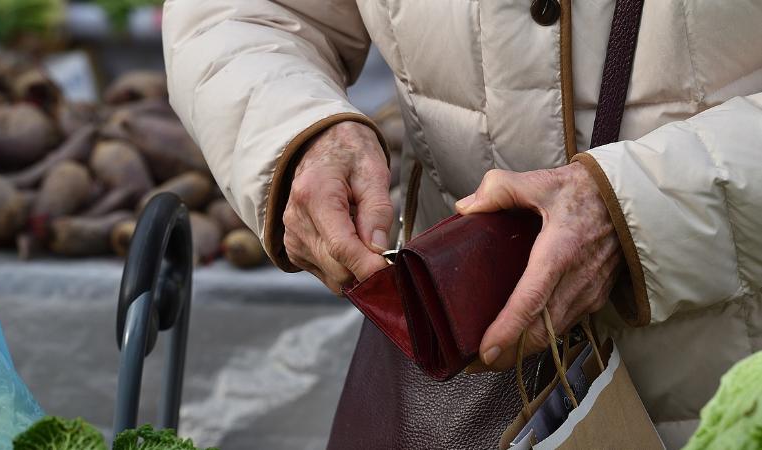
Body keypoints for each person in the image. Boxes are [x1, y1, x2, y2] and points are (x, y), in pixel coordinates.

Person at [162, 1, 762, 448]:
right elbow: (243, 12)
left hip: (730, 380)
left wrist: (639, 207)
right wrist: (296, 134)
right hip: (463, 389)